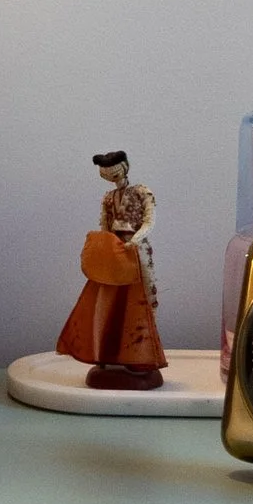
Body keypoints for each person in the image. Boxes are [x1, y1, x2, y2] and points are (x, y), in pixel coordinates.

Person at [56, 150, 166, 388]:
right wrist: (105, 247)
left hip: (135, 250)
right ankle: (109, 349)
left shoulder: (141, 191)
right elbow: (105, 226)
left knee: (145, 298)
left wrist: (135, 240)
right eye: (105, 173)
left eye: (113, 171)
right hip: (115, 249)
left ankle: (143, 352)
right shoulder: (108, 198)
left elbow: (149, 220)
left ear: (125, 167)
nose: (111, 176)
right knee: (108, 298)